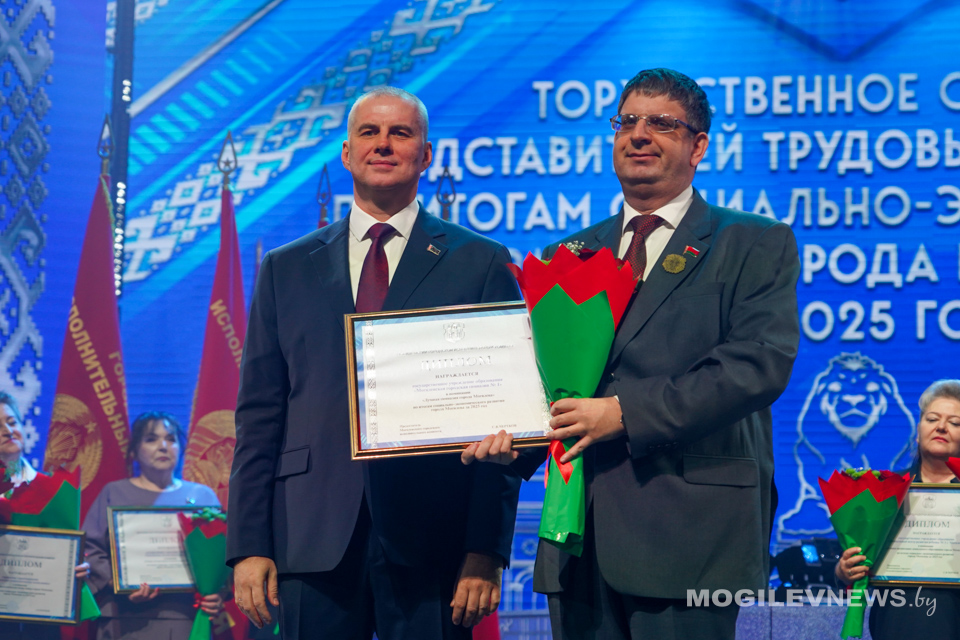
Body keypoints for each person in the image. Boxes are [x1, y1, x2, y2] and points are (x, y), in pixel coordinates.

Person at [464, 68, 800, 640]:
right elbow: (549, 385)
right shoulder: (568, 253)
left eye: (662, 123)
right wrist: (509, 441)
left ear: (698, 146)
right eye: (627, 121)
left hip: (690, 535)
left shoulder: (752, 241)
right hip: (577, 537)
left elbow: (756, 366)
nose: (639, 134)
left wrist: (622, 413)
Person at [228, 86, 522, 640]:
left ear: (426, 155)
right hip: (310, 534)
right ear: (347, 153)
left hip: (434, 542)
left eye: (400, 133)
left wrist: (485, 548)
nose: (383, 144)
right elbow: (259, 418)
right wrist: (248, 545)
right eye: (369, 132)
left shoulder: (480, 262)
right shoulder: (286, 268)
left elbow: (499, 419)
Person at [835, 379, 960, 639]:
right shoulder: (883, 491)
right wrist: (845, 570)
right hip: (893, 623)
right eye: (932, 419)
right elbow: (853, 567)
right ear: (918, 431)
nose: (941, 427)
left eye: (955, 423)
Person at [82, 411, 224, 639]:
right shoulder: (114, 493)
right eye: (151, 439)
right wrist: (119, 583)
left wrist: (216, 593)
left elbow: (222, 559)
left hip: (185, 617)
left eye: (171, 439)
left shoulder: (202, 497)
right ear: (134, 451)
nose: (163, 446)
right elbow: (89, 549)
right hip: (122, 617)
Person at [0, 392, 90, 640]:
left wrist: (78, 567)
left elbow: (65, 554)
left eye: (12, 422)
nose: (8, 430)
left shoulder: (52, 491)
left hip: (41, 625)